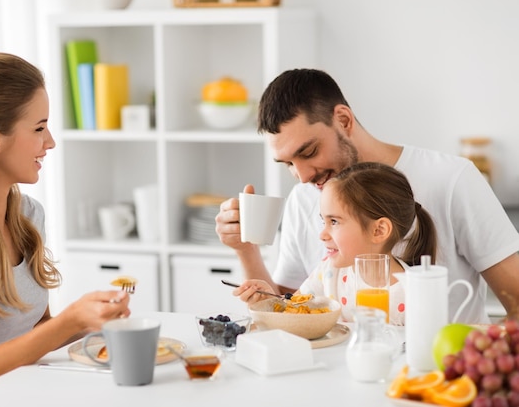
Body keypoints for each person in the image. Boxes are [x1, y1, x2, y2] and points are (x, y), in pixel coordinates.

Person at [216, 68, 519, 324]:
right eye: (288, 165)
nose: (303, 176)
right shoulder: (303, 198)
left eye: (309, 152)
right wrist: (246, 250)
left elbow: (516, 303)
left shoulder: (452, 179)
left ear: (344, 120)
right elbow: (290, 309)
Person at [0, 52, 131, 406]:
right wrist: (70, 319)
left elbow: (34, 335)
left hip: (26, 393)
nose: (50, 142)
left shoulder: (28, 215)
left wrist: (86, 320)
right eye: (39, 128)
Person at [233, 162, 438, 326]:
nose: (322, 234)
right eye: (324, 221)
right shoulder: (328, 273)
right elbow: (292, 313)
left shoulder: (413, 293)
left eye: (334, 222)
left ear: (379, 230)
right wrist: (267, 302)